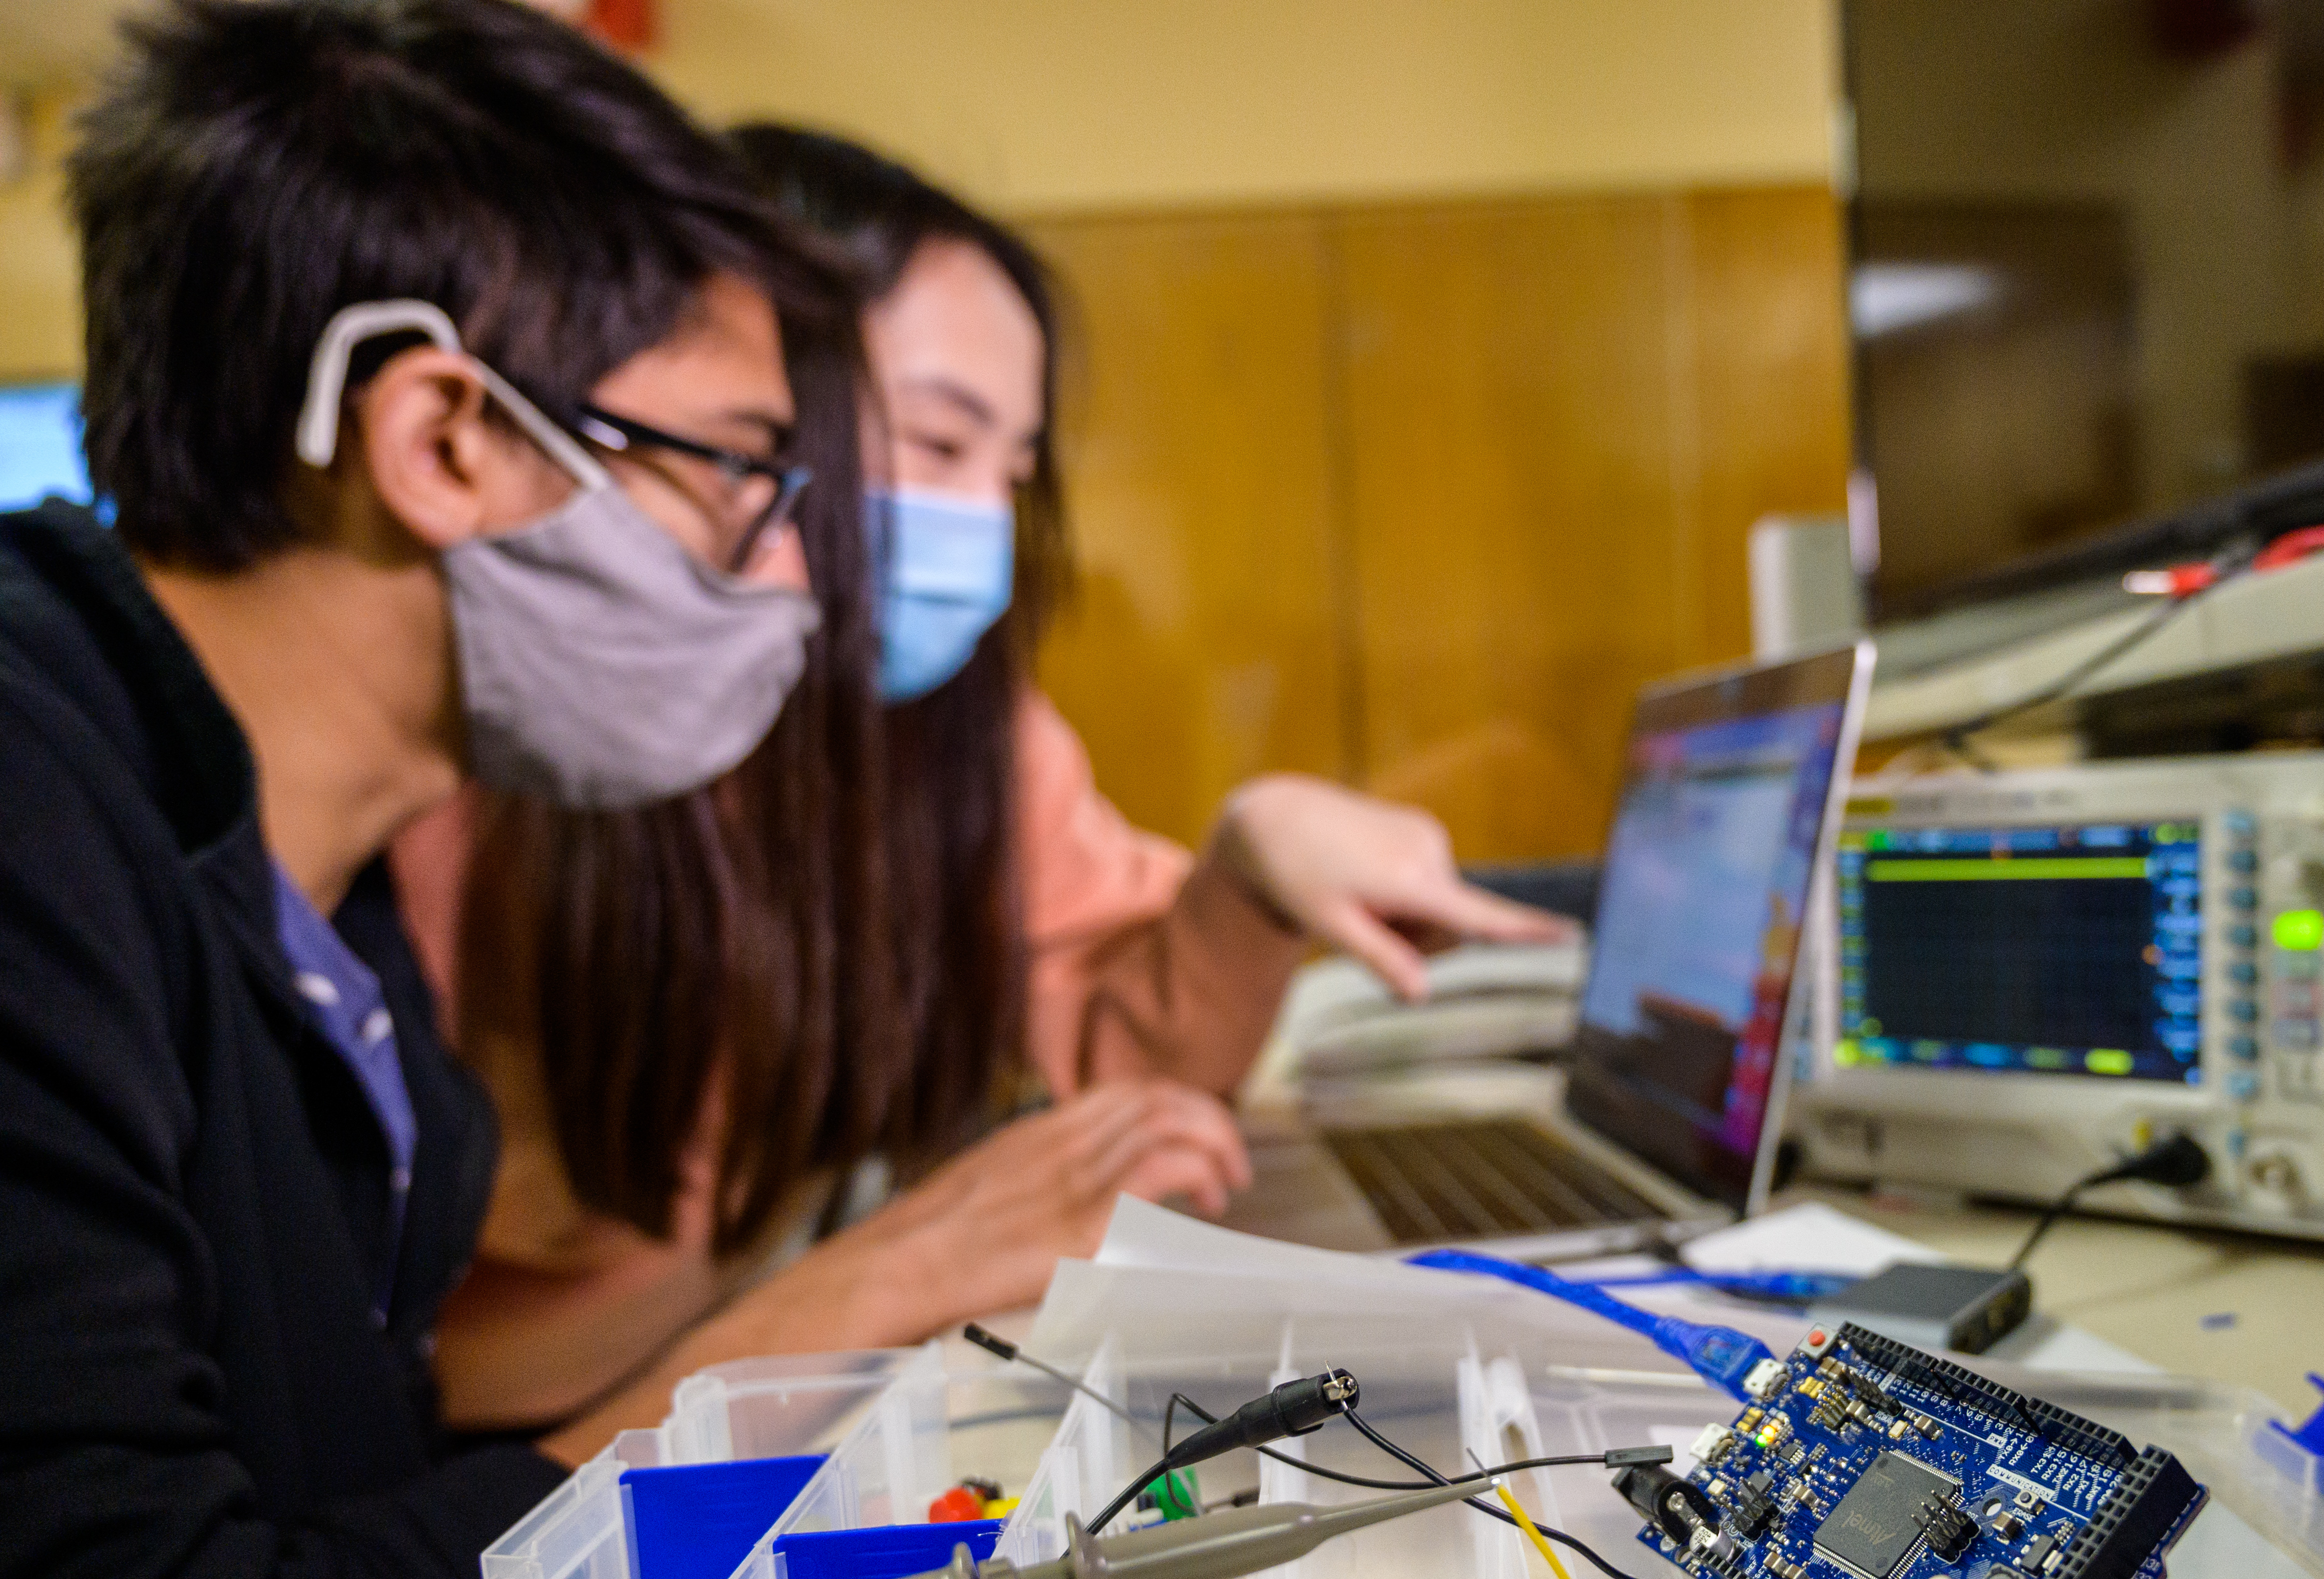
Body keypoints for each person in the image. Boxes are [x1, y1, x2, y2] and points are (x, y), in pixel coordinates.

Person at [0, 0, 871, 1579]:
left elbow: (323, 1524)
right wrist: (782, 1350)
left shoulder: (320, 894)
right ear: (444, 437)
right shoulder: (35, 825)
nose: (790, 576)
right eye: (739, 469)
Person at [398, 129, 1568, 1442]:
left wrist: (1249, 872)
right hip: (492, 1456)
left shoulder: (958, 739)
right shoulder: (496, 738)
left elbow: (1120, 1071)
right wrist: (897, 1265)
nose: (983, 526)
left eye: (1013, 474)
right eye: (941, 442)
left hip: (721, 1398)